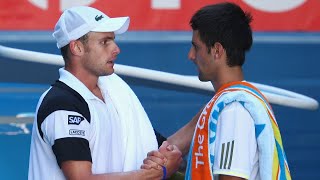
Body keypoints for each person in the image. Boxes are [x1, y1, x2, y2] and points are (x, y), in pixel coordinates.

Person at [28, 6, 198, 180]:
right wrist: (153, 174)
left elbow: (156, 147)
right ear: (77, 48)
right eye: (105, 42)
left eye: (113, 40)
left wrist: (209, 110)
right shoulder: (62, 104)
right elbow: (81, 178)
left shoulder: (115, 93)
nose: (116, 49)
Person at [145, 2, 292, 180]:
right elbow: (174, 144)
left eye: (196, 47)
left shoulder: (234, 111)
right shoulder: (228, 104)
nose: (190, 55)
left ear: (216, 50)